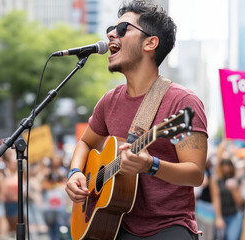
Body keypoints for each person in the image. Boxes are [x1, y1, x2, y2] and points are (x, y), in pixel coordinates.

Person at [65, 1, 208, 239]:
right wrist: (75, 172)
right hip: (115, 225)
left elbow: (195, 173)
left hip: (169, 227)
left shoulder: (182, 102)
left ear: (150, 43)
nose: (111, 34)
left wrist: (150, 165)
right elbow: (86, 143)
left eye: (123, 29)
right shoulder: (108, 101)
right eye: (112, 28)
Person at [211, 158, 243, 240]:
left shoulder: (236, 180)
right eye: (224, 166)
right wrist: (218, 217)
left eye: (228, 165)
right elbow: (216, 198)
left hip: (234, 215)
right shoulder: (217, 180)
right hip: (222, 215)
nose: (226, 168)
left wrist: (234, 189)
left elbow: (239, 201)